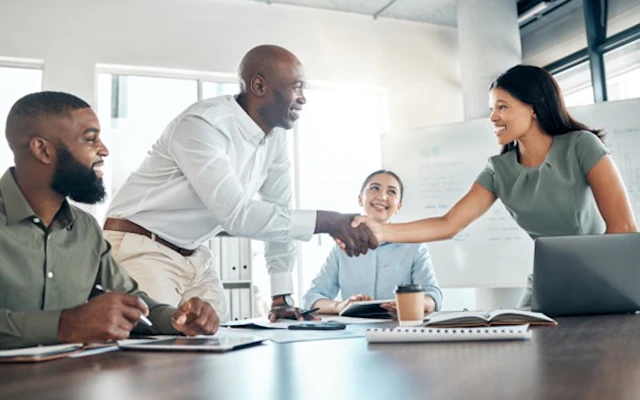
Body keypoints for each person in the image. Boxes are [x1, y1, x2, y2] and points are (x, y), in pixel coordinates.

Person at [103, 44, 376, 322]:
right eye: (296, 87)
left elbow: (278, 210)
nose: (303, 99)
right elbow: (237, 215)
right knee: (155, 353)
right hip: (142, 247)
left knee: (217, 344)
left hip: (194, 256)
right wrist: (329, 221)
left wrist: (280, 298)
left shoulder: (275, 138)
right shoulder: (203, 124)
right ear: (259, 85)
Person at [351, 65, 638, 308]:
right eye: (492, 108)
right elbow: (448, 224)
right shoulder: (498, 170)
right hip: (547, 286)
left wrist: (604, 286)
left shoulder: (580, 145)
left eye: (502, 107)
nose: (492, 117)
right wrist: (380, 230)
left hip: (600, 281)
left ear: (534, 108)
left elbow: (623, 227)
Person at [0, 91, 219, 349]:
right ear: (43, 150)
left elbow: (131, 298)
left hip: (68, 381)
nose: (104, 149)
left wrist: (177, 318)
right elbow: (69, 325)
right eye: (90, 139)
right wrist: (63, 325)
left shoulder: (85, 229)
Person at [302, 170, 442, 314]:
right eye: (375, 188)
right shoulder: (342, 248)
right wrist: (340, 306)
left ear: (399, 206)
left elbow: (433, 298)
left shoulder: (415, 247)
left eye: (392, 192)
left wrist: (407, 304)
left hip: (398, 330)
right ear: (360, 199)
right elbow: (311, 299)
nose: (382, 196)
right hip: (352, 332)